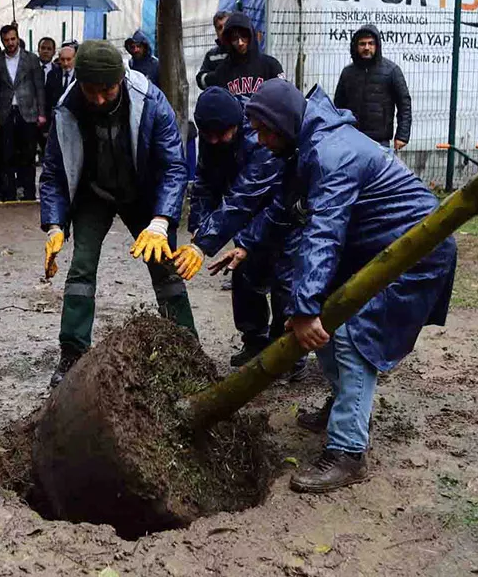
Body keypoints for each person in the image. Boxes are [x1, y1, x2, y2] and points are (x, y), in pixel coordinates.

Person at [223, 79, 455, 493]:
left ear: (282, 123)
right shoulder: (306, 141)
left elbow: (324, 231)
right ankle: (345, 406)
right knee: (329, 322)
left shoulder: (332, 153)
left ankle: (348, 452)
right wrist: (246, 244)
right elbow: (285, 206)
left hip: (415, 251)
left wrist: (304, 307)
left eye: (263, 130)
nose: (258, 139)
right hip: (377, 247)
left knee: (350, 334)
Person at [40, 40, 196, 387]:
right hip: (94, 194)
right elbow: (53, 172)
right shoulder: (68, 109)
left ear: (121, 80)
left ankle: (188, 350)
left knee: (165, 266)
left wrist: (160, 221)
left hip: (142, 194)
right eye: (90, 91)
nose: (97, 99)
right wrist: (54, 225)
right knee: (81, 266)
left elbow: (174, 167)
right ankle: (72, 353)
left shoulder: (151, 102)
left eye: (106, 90)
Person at [173, 87, 299, 378]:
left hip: (282, 211)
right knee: (244, 275)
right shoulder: (211, 136)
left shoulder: (259, 136)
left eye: (222, 134)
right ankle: (254, 342)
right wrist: (198, 228)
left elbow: (245, 195)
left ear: (236, 124)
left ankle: (287, 355)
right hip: (243, 215)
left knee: (285, 282)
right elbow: (203, 182)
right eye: (210, 136)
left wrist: (207, 243)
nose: (216, 141)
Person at [333, 25, 412, 152]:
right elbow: (338, 106)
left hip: (380, 142)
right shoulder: (348, 73)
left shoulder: (392, 71)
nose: (367, 48)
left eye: (371, 43)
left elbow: (404, 104)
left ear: (377, 46)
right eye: (362, 44)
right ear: (356, 46)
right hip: (351, 139)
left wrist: (402, 135)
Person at [0, 24, 46, 201]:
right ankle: (9, 193)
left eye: (13, 39)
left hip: (27, 112)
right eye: (6, 40)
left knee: (28, 155)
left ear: (18, 38)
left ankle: (29, 192)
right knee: (6, 155)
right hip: (5, 113)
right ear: (2, 41)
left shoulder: (31, 59)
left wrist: (41, 113)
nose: (10, 43)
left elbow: (39, 87)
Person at [207, 12, 284, 98]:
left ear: (251, 35)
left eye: (244, 36)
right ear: (229, 41)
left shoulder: (271, 66)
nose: (240, 43)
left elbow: (283, 98)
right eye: (234, 38)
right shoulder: (223, 71)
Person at [195, 10, 229, 89]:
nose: (223, 30)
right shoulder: (211, 55)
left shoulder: (241, 50)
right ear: (216, 31)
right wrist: (216, 76)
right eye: (220, 27)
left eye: (226, 26)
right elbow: (200, 81)